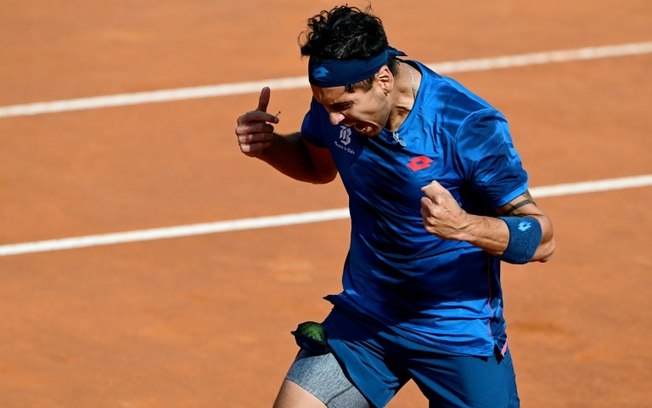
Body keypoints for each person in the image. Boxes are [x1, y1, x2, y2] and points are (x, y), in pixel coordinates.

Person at [234, 5, 555, 408]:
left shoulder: (465, 125)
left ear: (383, 80)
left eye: (344, 107)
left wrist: (466, 227)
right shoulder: (338, 96)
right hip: (367, 320)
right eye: (324, 105)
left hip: (454, 331)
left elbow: (541, 238)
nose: (333, 120)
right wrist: (271, 147)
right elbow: (317, 165)